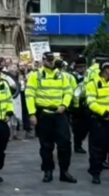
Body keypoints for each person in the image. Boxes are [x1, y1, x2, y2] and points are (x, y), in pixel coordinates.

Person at [25, 52, 76, 183]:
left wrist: (64, 105)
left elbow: (68, 92)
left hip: (60, 113)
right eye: (48, 60)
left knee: (65, 143)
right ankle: (48, 172)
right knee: (46, 146)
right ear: (43, 61)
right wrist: (32, 114)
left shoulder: (62, 76)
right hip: (44, 114)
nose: (51, 62)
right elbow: (30, 95)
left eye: (52, 60)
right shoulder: (35, 76)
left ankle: (64, 171)